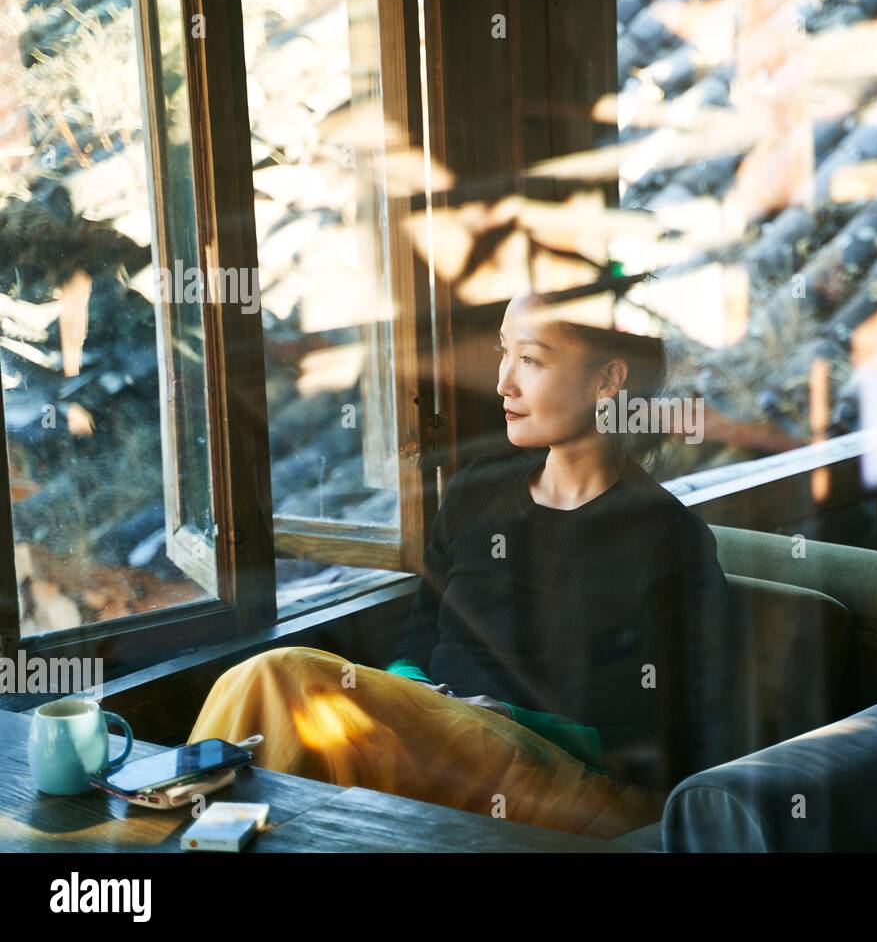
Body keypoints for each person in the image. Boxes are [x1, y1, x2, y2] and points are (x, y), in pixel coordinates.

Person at [187, 290, 730, 840]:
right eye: (503, 352)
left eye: (531, 360)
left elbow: (676, 736)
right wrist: (417, 700)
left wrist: (512, 719)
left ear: (608, 380)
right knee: (276, 696)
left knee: (279, 676)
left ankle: (176, 824)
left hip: (569, 788)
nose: (503, 383)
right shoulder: (477, 491)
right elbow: (418, 641)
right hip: (432, 747)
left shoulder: (666, 538)